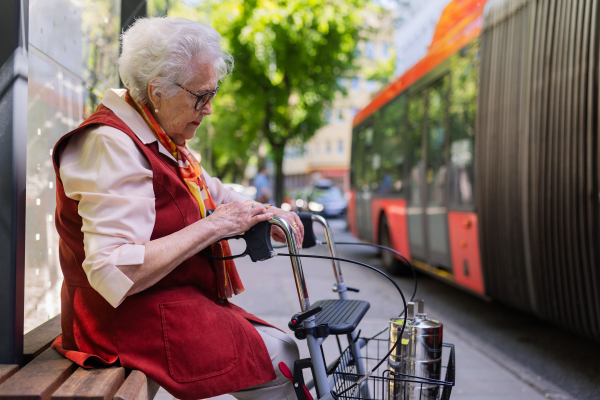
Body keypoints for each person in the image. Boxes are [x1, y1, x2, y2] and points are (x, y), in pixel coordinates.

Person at [50, 17, 305, 400]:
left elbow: (213, 193)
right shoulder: (111, 143)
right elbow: (112, 269)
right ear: (157, 92)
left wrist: (263, 213)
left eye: (213, 94)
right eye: (201, 96)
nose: (209, 109)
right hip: (119, 323)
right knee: (280, 357)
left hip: (163, 302)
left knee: (281, 346)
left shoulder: (159, 135)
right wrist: (215, 227)